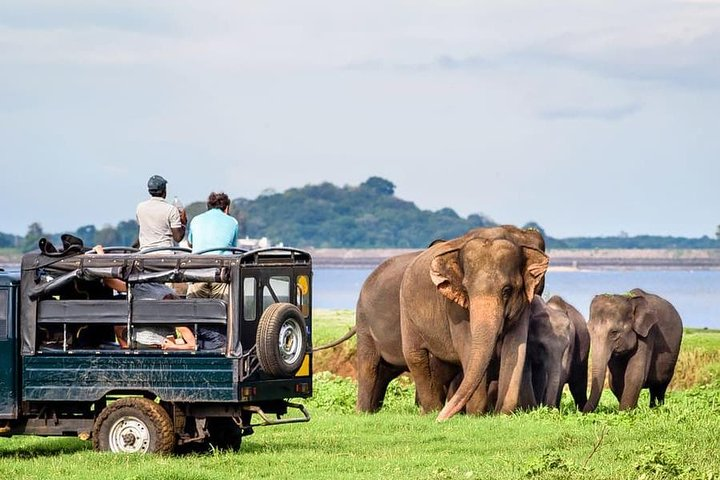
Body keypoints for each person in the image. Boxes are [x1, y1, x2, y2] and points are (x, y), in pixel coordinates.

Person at [186, 192, 239, 299]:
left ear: (208, 206)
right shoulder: (233, 222)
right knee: (223, 309)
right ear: (227, 208)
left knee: (194, 309)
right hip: (221, 273)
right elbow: (232, 249)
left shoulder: (196, 220)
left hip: (197, 271)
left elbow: (190, 243)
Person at [136, 175, 187, 251]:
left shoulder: (140, 207)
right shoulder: (171, 209)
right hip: (165, 254)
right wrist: (183, 223)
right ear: (164, 191)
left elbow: (145, 231)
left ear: (149, 191)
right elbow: (178, 238)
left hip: (145, 253)